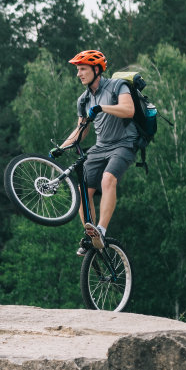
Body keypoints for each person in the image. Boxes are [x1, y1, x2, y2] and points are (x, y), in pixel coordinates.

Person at [52, 49, 136, 252]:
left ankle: (102, 229)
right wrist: (61, 148)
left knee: (108, 179)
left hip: (124, 143)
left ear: (96, 69)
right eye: (78, 70)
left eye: (82, 69)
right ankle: (92, 237)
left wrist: (102, 108)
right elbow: (81, 130)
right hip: (101, 147)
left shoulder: (118, 86)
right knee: (82, 190)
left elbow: (129, 110)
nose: (78, 74)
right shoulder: (84, 99)